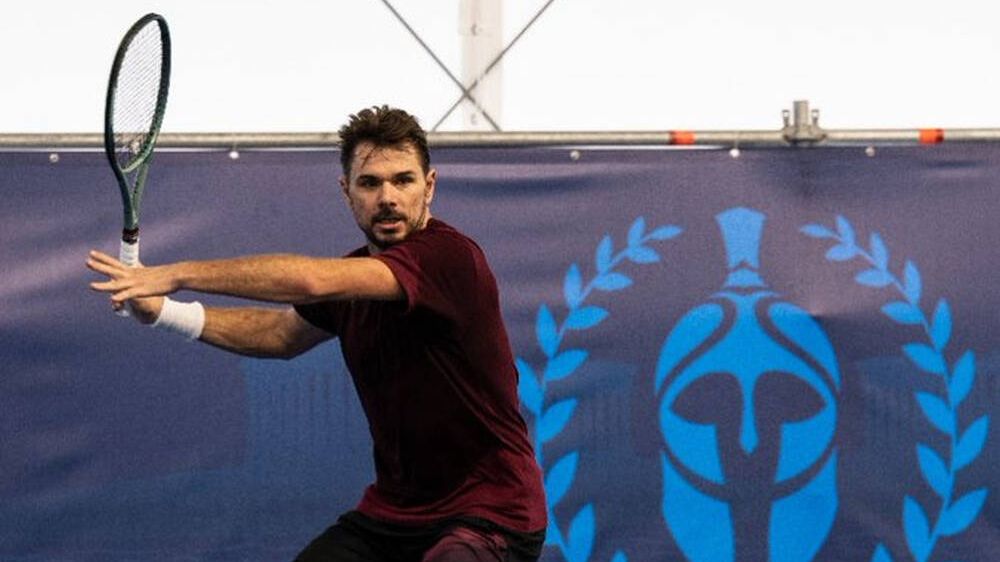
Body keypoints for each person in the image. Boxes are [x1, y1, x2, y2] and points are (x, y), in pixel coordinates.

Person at [86, 105, 547, 561]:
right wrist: (164, 311)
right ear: (347, 192)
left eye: (403, 180)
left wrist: (175, 274)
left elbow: (310, 281)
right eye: (370, 183)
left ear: (429, 187)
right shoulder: (354, 279)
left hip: (490, 511)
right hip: (395, 515)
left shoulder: (450, 258)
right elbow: (281, 334)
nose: (387, 197)